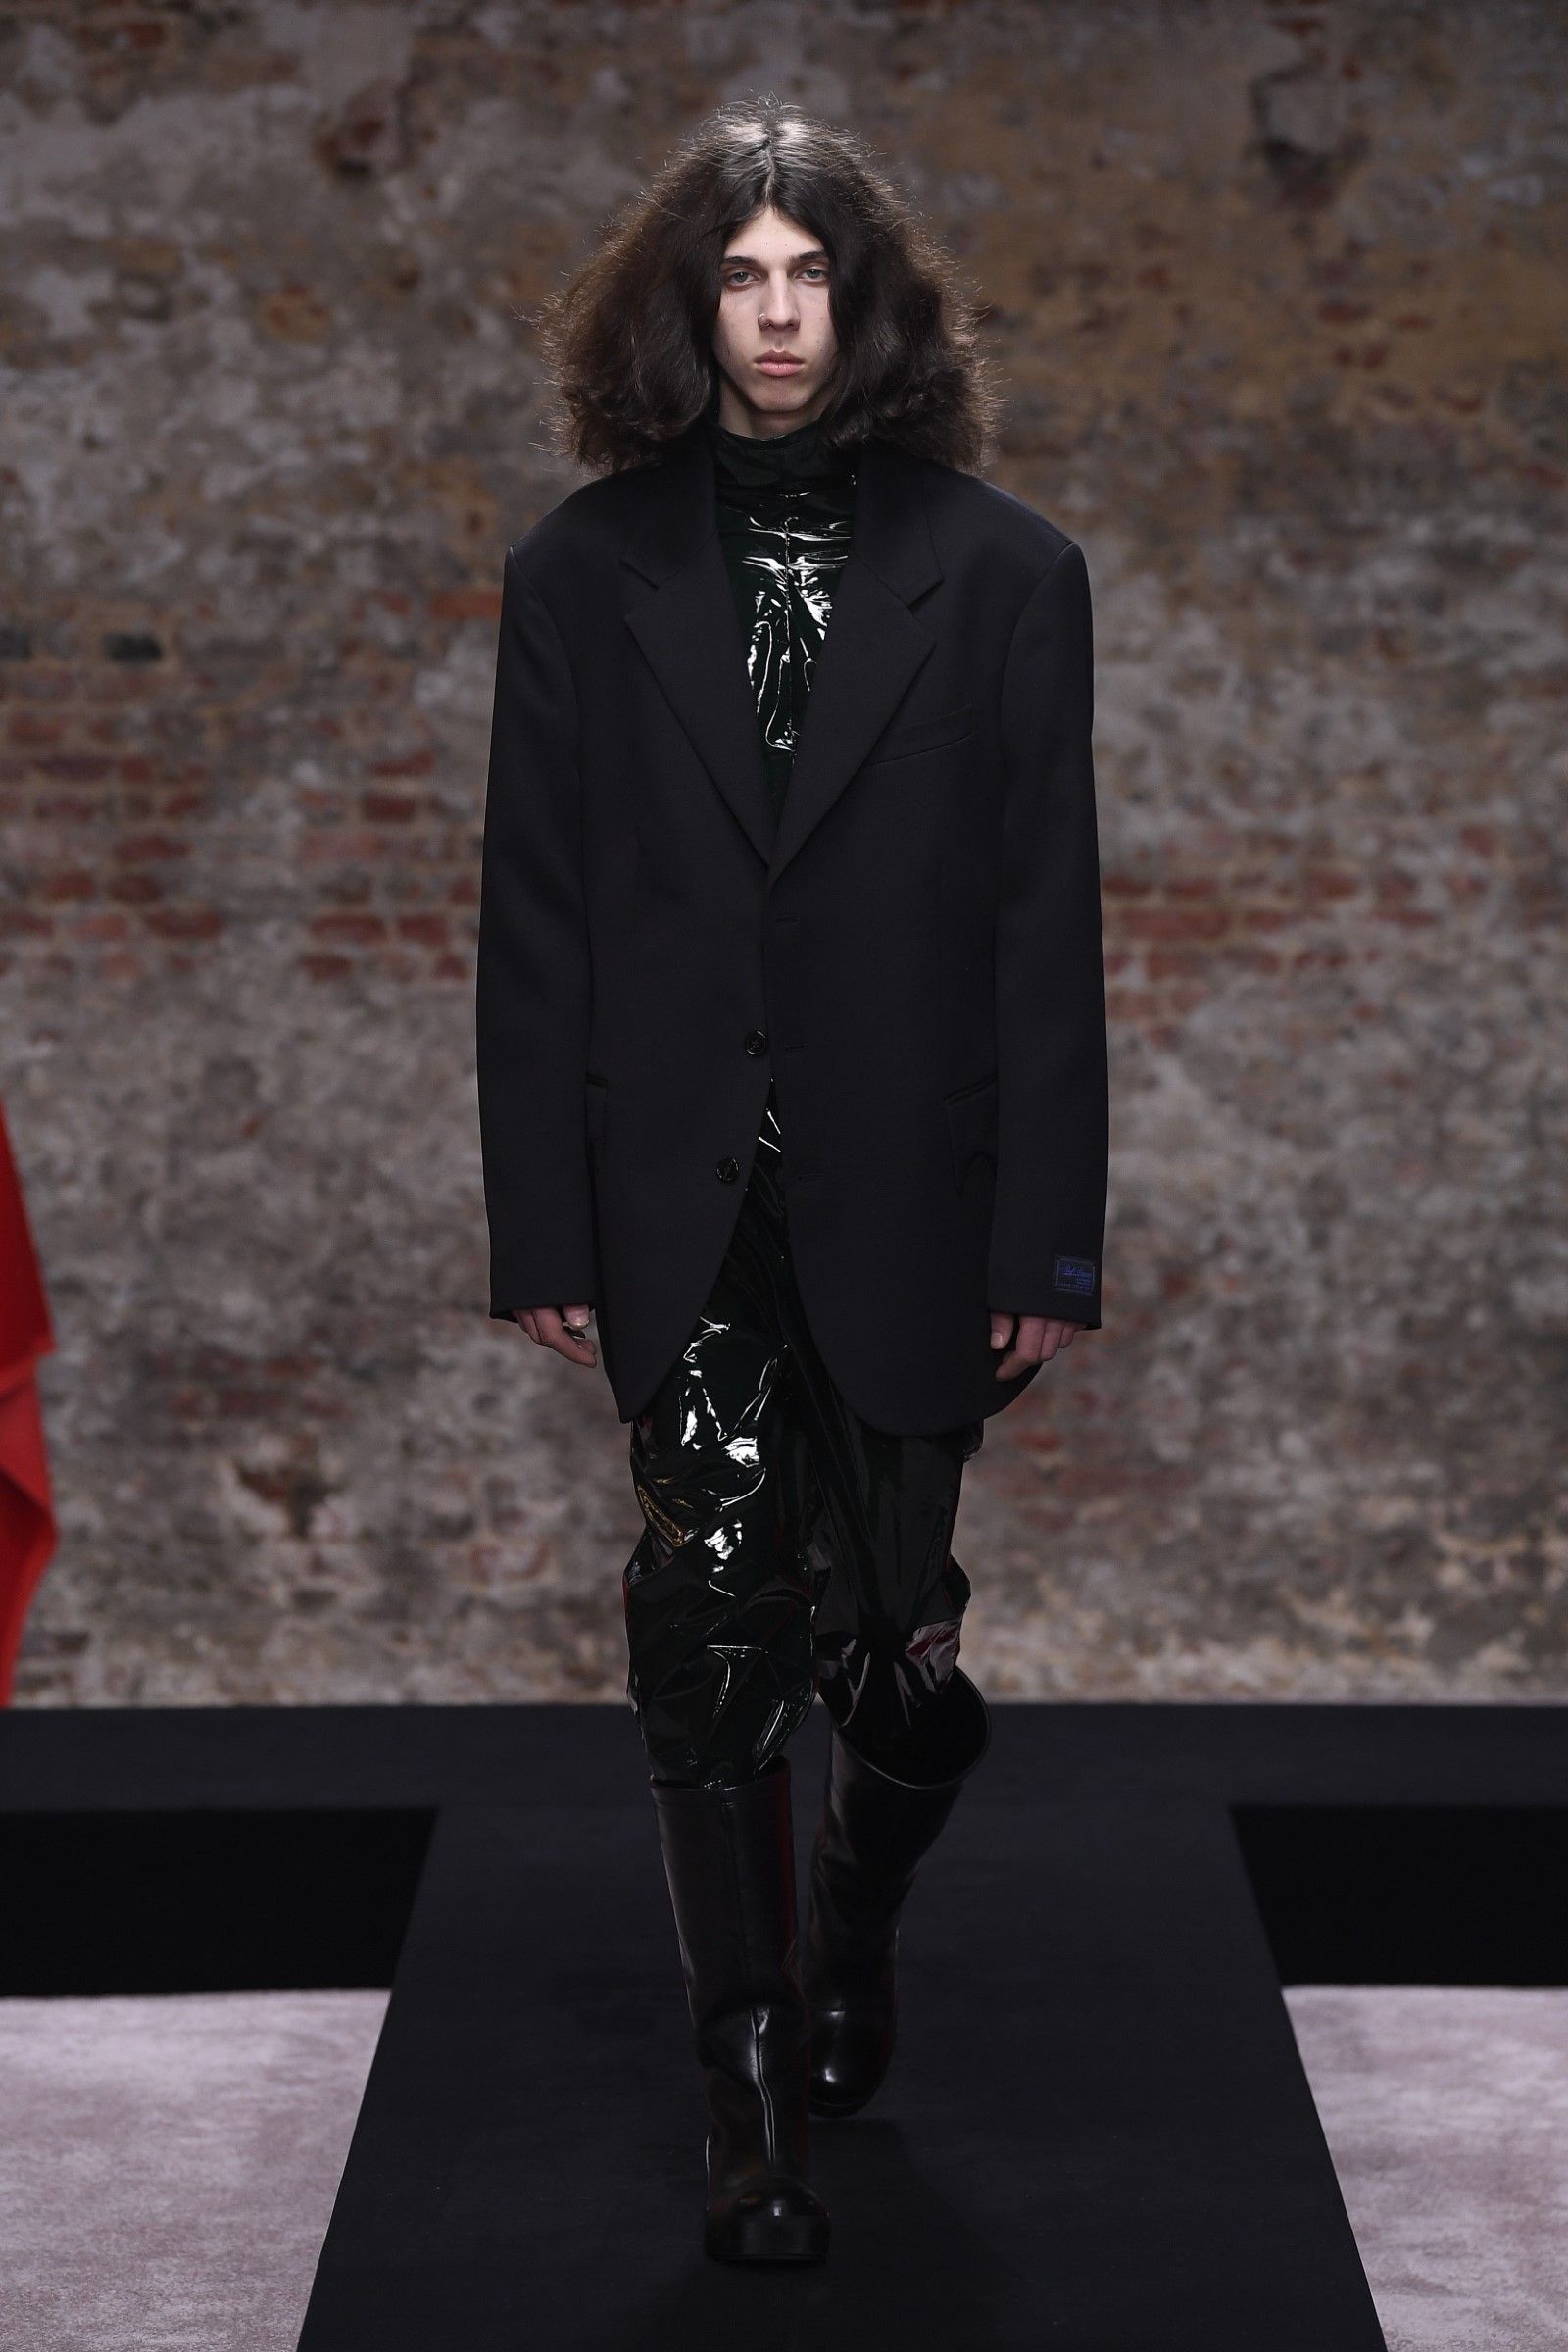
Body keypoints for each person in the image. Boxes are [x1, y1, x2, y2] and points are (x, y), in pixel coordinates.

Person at [476, 97, 1107, 2267]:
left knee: (897, 1643)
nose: (773, 315)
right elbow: (536, 924)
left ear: (868, 306)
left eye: (808, 275)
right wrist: (543, 1222)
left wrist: (1047, 1238)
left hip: (918, 1185)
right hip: (679, 1188)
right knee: (709, 1607)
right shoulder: (579, 577)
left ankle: (853, 1919)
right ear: (682, 307)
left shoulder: (1007, 574)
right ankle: (743, 2087)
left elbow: (1042, 925)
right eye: (738, 277)